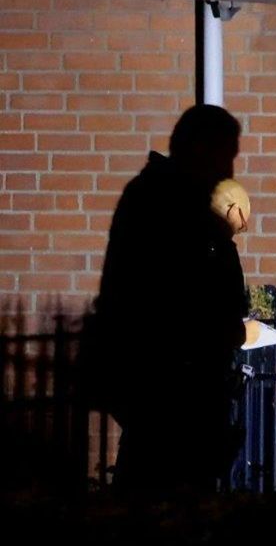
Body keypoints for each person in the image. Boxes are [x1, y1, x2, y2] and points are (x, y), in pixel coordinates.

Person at [91, 104, 248, 493]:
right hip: (172, 387)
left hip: (173, 387)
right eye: (225, 154)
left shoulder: (163, 198)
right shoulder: (170, 204)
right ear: (201, 149)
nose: (229, 168)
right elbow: (182, 296)